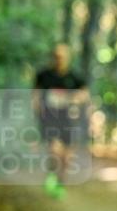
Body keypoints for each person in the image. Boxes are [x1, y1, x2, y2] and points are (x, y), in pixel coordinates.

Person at [33, 44, 88, 199]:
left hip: (69, 120)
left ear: (68, 58)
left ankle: (60, 183)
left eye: (62, 57)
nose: (59, 60)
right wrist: (38, 111)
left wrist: (76, 99)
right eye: (56, 56)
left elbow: (85, 93)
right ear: (52, 57)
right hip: (50, 119)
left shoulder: (74, 77)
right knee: (54, 151)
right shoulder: (44, 75)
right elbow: (35, 95)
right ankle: (51, 177)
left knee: (66, 157)